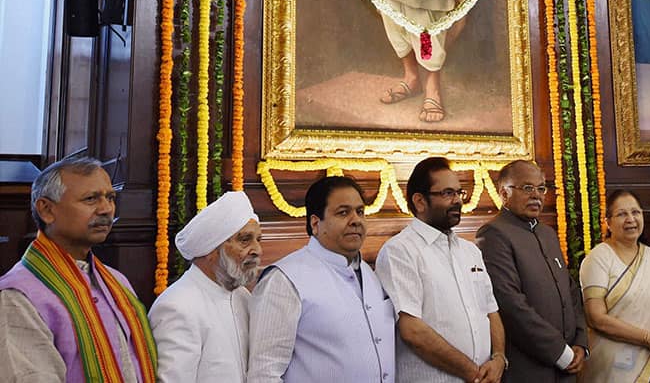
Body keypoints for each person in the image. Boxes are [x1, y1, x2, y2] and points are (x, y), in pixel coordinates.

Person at [0, 156, 157, 382]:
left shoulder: (117, 281)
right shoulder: (18, 297)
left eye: (110, 198)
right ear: (46, 210)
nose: (106, 209)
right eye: (91, 199)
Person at [247, 176, 395, 382]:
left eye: (360, 211)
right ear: (315, 223)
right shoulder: (285, 279)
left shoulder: (368, 273)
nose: (356, 220)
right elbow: (264, 372)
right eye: (343, 212)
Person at [376, 157, 506, 383]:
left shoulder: (470, 251)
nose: (457, 201)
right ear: (420, 201)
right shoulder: (400, 251)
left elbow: (490, 311)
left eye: (459, 193)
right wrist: (473, 373)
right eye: (447, 193)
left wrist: (499, 359)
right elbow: (412, 331)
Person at [476, 161, 587, 381]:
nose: (536, 195)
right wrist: (560, 352)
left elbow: (570, 290)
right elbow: (510, 304)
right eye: (527, 188)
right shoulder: (493, 234)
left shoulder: (547, 233)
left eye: (541, 188)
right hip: (530, 369)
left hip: (568, 365)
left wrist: (581, 342)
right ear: (504, 193)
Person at [579, 190, 650, 382]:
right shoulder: (598, 258)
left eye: (636, 212)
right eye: (621, 214)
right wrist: (648, 339)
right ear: (608, 222)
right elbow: (596, 318)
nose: (631, 219)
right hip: (612, 366)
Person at [150, 191, 262, 382]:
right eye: (245, 240)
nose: (257, 250)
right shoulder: (177, 307)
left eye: (258, 239)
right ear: (211, 250)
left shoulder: (242, 295)